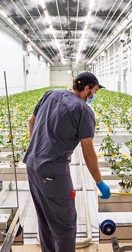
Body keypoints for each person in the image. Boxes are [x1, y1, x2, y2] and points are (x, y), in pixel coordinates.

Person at [23, 72, 111, 252]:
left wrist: (38, 149)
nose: (94, 95)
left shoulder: (51, 94)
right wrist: (99, 182)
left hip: (32, 165)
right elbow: (88, 152)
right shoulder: (84, 110)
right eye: (94, 91)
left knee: (45, 220)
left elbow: (31, 121)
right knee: (65, 226)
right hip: (53, 173)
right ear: (87, 89)